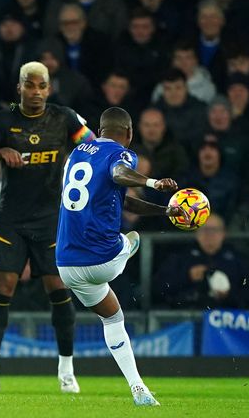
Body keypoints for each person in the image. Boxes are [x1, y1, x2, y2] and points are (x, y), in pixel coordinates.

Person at [56, 106, 187, 406]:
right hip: (104, 259)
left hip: (66, 264)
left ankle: (139, 389)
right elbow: (118, 173)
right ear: (129, 133)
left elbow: (122, 198)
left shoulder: (75, 155)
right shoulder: (122, 155)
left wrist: (164, 211)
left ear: (100, 130)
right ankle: (129, 246)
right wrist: (152, 183)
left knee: (113, 317)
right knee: (133, 237)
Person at [0, 61, 96, 394]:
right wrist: (0, 151)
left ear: (49, 88)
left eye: (41, 86)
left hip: (51, 220)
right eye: (29, 85)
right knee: (2, 288)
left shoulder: (65, 118)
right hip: (11, 220)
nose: (36, 92)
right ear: (19, 88)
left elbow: (92, 147)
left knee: (59, 290)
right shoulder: (4, 121)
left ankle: (66, 370)